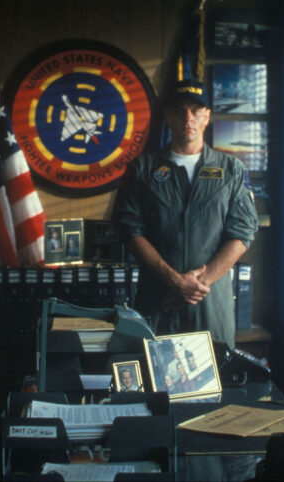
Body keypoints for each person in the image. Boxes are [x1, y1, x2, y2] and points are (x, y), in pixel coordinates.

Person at [112, 79, 258, 348]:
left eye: (196, 110)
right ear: (167, 116)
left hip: (210, 304)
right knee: (155, 382)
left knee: (215, 380)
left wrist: (194, 286)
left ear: (207, 117)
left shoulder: (231, 170)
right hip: (158, 301)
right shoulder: (142, 169)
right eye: (180, 110)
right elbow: (128, 229)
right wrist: (174, 280)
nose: (188, 118)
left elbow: (243, 233)